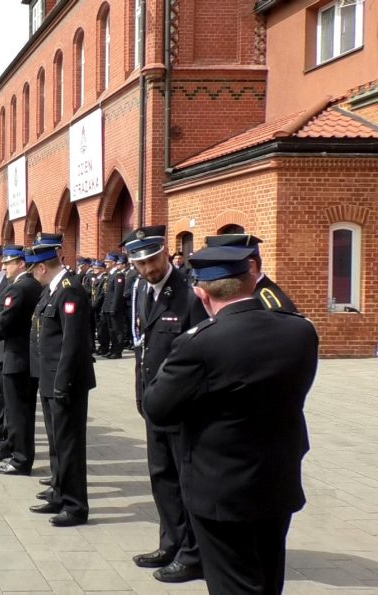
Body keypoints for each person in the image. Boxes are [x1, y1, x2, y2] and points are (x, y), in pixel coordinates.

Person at [143, 245, 318, 595]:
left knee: (232, 584)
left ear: (200, 293)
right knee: (268, 578)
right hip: (277, 479)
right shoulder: (300, 331)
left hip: (220, 487)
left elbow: (157, 407)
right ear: (251, 277)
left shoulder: (199, 344)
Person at [125, 225, 208, 583]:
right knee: (161, 477)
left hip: (182, 406)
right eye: (140, 264)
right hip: (154, 402)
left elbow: (202, 355)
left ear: (165, 254)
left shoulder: (189, 296)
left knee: (185, 480)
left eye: (153, 261)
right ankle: (170, 541)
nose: (147, 269)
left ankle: (193, 553)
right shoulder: (142, 289)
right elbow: (143, 346)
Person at [27, 243, 95, 527]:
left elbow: (73, 343)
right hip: (49, 377)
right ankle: (58, 491)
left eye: (34, 270)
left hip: (64, 381)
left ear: (43, 267)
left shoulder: (70, 289)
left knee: (69, 445)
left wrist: (63, 382)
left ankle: (75, 505)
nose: (34, 275)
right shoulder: (52, 290)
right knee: (57, 442)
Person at [0, 245, 41, 475]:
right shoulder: (32, 285)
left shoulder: (20, 289)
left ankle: (21, 460)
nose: (4, 266)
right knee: (20, 410)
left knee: (18, 411)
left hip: (16, 357)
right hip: (22, 356)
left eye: (8, 263)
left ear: (21, 263)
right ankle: (15, 449)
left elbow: (3, 324)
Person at [205, 233, 299, 313]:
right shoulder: (242, 296)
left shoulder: (270, 306)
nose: (218, 275)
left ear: (250, 266)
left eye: (225, 267)